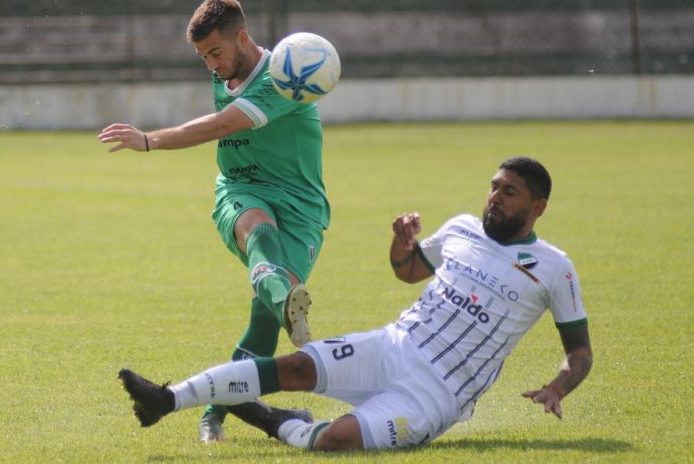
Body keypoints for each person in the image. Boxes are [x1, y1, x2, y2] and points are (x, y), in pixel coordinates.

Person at [118, 156, 593, 452]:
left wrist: (559, 387)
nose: (494, 197)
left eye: (509, 193)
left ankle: (276, 421)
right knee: (297, 365)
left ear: (538, 207)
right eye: (493, 185)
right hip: (393, 345)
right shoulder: (463, 227)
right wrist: (401, 245)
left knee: (335, 439)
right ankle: (167, 399)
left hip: (436, 394)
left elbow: (580, 353)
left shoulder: (555, 267)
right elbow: (406, 271)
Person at [99, 0, 330, 442]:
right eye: (202, 57)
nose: (211, 65)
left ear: (243, 37)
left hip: (302, 207)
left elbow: (224, 125)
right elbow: (224, 120)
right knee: (257, 228)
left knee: (262, 328)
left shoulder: (282, 81)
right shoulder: (226, 69)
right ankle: (283, 295)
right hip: (241, 190)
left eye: (216, 53)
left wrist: (150, 140)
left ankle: (213, 414)